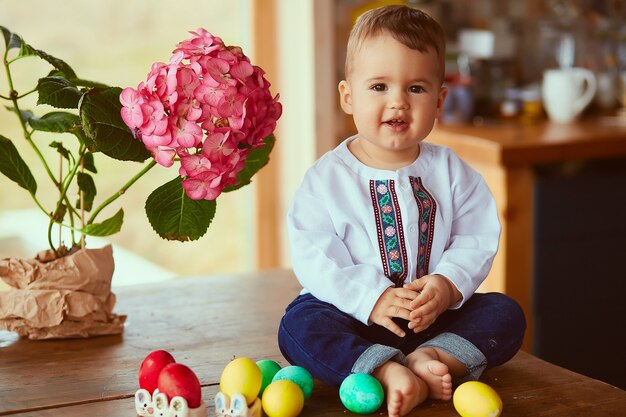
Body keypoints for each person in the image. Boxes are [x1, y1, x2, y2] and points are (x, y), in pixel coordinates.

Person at [277, 5, 526, 417]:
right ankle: (384, 369)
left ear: (439, 99)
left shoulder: (451, 171)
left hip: (433, 316)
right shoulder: (327, 178)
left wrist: (446, 285)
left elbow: (476, 236)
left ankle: (434, 357)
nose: (397, 102)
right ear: (348, 96)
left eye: (415, 89)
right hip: (353, 316)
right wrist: (372, 298)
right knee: (298, 325)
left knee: (504, 313)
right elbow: (314, 252)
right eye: (379, 87)